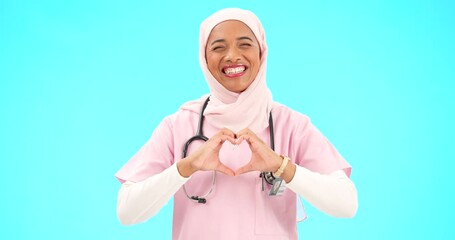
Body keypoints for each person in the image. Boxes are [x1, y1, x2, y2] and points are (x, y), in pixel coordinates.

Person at [115, 8, 358, 240]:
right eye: (219, 47)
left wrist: (281, 166)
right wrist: (186, 167)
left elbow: (347, 204)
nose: (232, 55)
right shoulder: (178, 125)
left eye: (245, 44)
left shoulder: (292, 125)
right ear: (204, 58)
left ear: (261, 52)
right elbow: (127, 212)